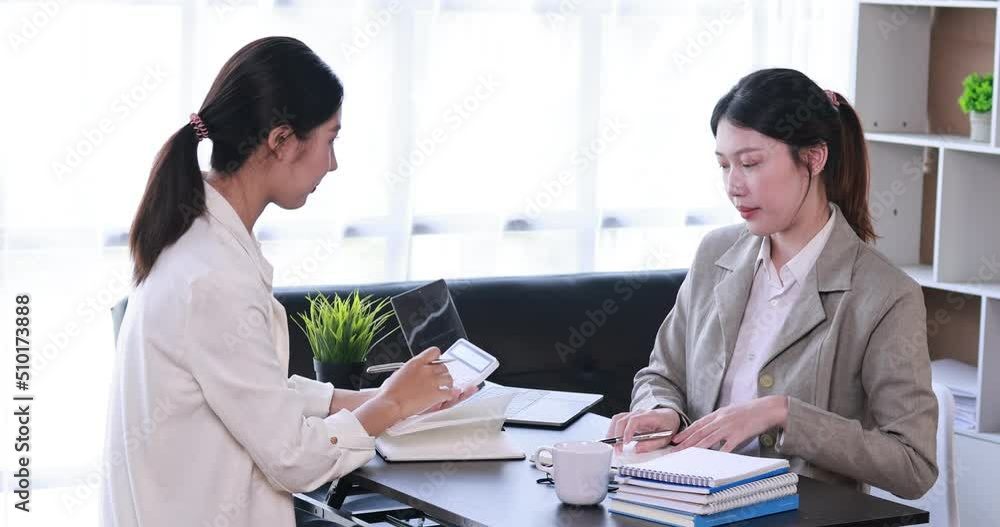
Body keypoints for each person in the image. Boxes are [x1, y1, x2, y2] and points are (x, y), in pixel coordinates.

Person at [100, 37, 473, 527]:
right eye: (330, 139)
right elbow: (295, 459)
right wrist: (393, 401)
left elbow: (246, 391)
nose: (333, 163)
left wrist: (362, 400)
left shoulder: (195, 241)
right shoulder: (212, 277)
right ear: (280, 140)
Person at [608, 68, 938, 499]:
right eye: (724, 165)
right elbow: (661, 374)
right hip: (684, 502)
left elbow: (913, 465)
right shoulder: (715, 254)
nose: (733, 186)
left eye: (750, 163)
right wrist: (663, 411)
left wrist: (784, 414)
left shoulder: (885, 296)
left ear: (814, 158)